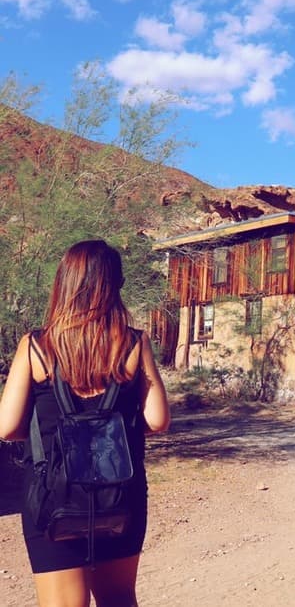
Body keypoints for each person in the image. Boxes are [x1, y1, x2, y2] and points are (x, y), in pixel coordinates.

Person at [0, 239, 171, 607]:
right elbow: (157, 420)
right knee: (118, 598)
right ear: (114, 286)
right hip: (119, 492)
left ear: (64, 283)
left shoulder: (35, 347)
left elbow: (6, 426)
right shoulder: (133, 343)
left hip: (52, 495)